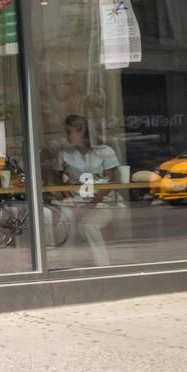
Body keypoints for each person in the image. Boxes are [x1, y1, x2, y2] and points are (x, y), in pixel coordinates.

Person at [56, 113, 124, 267]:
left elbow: (108, 184)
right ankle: (66, 265)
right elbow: (62, 180)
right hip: (76, 201)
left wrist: (89, 206)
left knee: (88, 226)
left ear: (81, 131)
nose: (66, 136)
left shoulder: (104, 151)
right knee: (64, 224)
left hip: (101, 203)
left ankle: (103, 265)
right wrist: (70, 200)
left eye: (69, 132)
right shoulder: (65, 153)